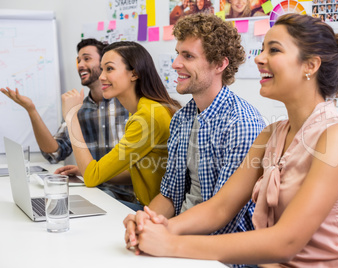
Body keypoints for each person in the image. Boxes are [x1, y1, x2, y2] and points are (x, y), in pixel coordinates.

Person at [124, 13, 338, 267]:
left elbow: (286, 242)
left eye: (274, 50)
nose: (259, 58)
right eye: (262, 48)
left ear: (310, 66)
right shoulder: (271, 134)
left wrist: (170, 243)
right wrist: (160, 226)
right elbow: (219, 208)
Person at [124, 12, 266, 255]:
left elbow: (224, 217)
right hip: (180, 235)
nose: (176, 63)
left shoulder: (241, 123)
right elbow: (170, 193)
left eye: (188, 56)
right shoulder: (182, 118)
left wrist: (164, 232)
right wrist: (144, 222)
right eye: (178, 53)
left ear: (220, 64)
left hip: (219, 252)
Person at [1, 38, 132, 201]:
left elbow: (141, 170)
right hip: (94, 192)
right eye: (78, 60)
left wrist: (90, 172)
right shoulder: (80, 108)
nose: (80, 65)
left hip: (127, 198)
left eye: (87, 58)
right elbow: (54, 153)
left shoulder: (129, 105)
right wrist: (31, 110)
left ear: (104, 64)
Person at [59, 41, 181, 211]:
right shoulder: (143, 110)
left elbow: (91, 177)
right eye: (101, 69)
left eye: (109, 69)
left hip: (155, 215)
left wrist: (71, 116)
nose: (101, 76)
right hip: (147, 207)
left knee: (73, 208)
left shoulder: (148, 116)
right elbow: (137, 171)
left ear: (134, 74)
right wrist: (86, 171)